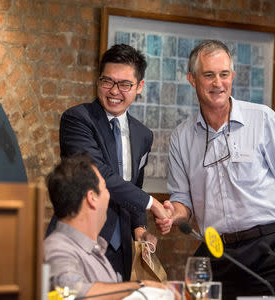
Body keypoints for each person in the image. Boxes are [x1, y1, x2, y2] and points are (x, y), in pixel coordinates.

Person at [157, 40, 275, 300]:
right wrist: (173, 213)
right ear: (192, 79)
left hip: (270, 250)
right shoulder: (181, 137)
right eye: (209, 75)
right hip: (218, 255)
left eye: (224, 74)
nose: (218, 83)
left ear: (232, 76)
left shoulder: (263, 119)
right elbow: (183, 201)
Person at [47, 44, 170, 281]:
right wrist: (153, 204)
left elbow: (135, 187)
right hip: (79, 242)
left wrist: (140, 229)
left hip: (121, 249)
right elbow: (98, 174)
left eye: (125, 84)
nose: (115, 91)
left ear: (139, 86)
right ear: (98, 81)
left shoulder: (143, 135)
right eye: (107, 81)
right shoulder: (77, 119)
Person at [45, 153, 171, 299]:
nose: (109, 195)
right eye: (105, 188)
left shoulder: (95, 251)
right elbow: (71, 293)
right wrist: (141, 287)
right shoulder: (58, 249)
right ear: (92, 198)